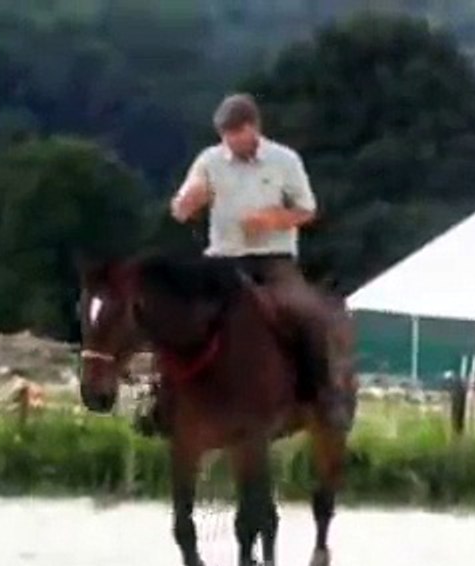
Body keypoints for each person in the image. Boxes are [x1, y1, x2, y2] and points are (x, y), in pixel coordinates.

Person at [148, 91, 348, 432]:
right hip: (223, 259)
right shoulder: (210, 161)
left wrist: (273, 220)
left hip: (273, 259)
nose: (230, 143)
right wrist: (187, 203)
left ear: (253, 128)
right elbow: (181, 207)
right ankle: (162, 398)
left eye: (236, 135)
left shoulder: (284, 160)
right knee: (177, 312)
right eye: (225, 136)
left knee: (307, 314)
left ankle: (324, 397)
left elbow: (307, 209)